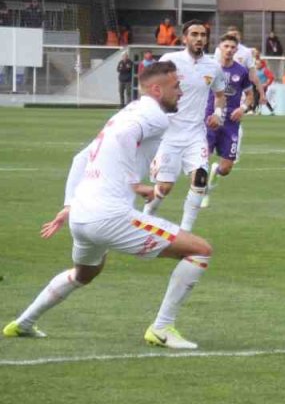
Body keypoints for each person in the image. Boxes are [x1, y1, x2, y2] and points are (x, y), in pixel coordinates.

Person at [3, 61, 215, 350]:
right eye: (176, 86)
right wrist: (135, 183)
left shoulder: (127, 112)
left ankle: (23, 323)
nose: (181, 91)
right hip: (109, 216)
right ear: (157, 89)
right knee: (200, 251)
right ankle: (162, 328)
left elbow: (80, 159)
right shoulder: (154, 116)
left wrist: (69, 205)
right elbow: (124, 137)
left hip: (82, 214)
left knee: (84, 274)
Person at [145, 21, 226, 234]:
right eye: (194, 34)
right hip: (168, 133)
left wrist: (218, 114)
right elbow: (152, 87)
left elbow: (220, 95)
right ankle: (146, 217)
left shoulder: (213, 67)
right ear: (184, 38)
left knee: (200, 179)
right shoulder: (170, 60)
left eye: (202, 35)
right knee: (164, 188)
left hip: (195, 134)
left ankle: (185, 232)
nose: (199, 38)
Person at [204, 33, 255, 207]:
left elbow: (250, 95)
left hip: (231, 123)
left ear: (236, 50)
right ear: (219, 47)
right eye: (226, 46)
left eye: (232, 47)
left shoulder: (241, 71)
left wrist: (243, 108)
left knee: (225, 169)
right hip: (210, 120)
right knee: (202, 159)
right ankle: (201, 192)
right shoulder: (209, 67)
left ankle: (214, 174)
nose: (229, 50)